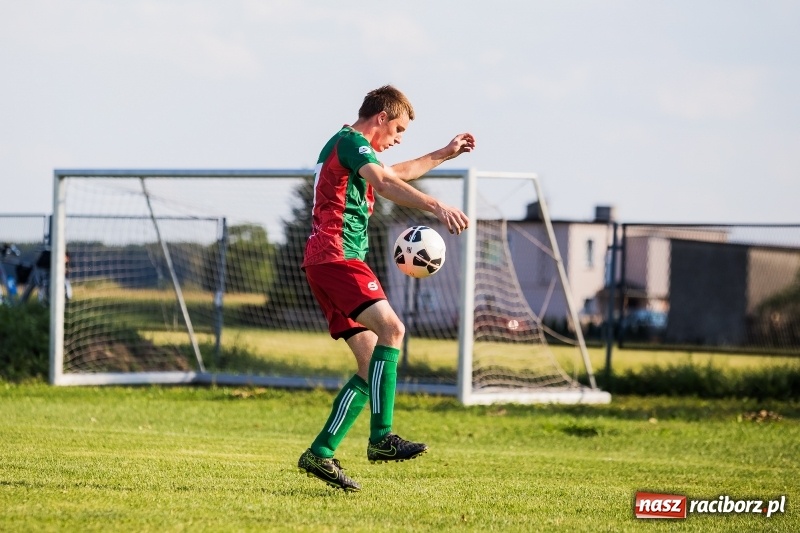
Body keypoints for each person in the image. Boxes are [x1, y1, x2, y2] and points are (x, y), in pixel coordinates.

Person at [297, 85, 475, 492]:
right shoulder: (350, 142)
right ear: (380, 117)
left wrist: (445, 153)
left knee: (368, 365)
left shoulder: (353, 150)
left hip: (325, 261)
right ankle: (382, 439)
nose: (396, 139)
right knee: (393, 330)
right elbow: (385, 180)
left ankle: (321, 452)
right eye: (397, 130)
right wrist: (437, 206)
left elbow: (397, 174)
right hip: (337, 256)